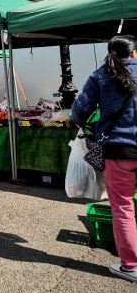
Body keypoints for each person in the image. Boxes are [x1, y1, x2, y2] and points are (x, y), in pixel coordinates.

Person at [73, 35, 137, 283]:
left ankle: (130, 266)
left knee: (123, 209)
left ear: (110, 53)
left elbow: (80, 111)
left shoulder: (100, 75)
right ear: (133, 53)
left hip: (118, 151)